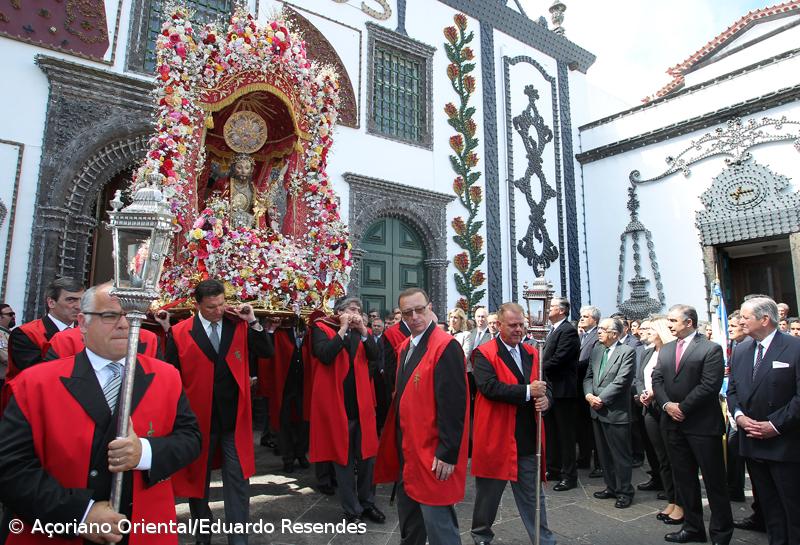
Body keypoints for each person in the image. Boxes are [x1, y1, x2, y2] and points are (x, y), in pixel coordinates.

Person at [0, 283, 201, 545]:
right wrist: (80, 514)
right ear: (83, 323)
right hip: (57, 531)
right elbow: (10, 467)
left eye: (132, 316)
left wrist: (144, 452)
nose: (124, 325)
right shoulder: (35, 383)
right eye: (109, 316)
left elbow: (191, 439)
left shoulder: (166, 376)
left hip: (143, 528)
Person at [166, 279, 274, 545]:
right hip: (197, 421)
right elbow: (171, 378)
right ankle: (203, 534)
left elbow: (266, 351)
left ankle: (239, 538)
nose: (218, 311)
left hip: (233, 420)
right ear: (197, 305)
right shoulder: (179, 332)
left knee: (238, 480)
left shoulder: (238, 325)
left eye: (222, 304)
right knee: (198, 483)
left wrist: (253, 321)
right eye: (211, 307)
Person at [374, 287, 468, 545]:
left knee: (439, 527)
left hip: (432, 454)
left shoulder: (445, 346)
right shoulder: (405, 346)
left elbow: (454, 405)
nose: (414, 317)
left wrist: (447, 453)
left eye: (419, 310)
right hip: (409, 451)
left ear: (430, 308)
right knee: (410, 523)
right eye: (408, 313)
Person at [471, 302, 555, 545]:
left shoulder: (532, 352)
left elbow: (545, 385)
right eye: (513, 325)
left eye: (521, 325)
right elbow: (489, 387)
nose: (519, 329)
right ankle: (481, 536)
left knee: (533, 496)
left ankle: (543, 540)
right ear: (499, 325)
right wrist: (528, 391)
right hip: (496, 435)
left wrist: (547, 400)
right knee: (488, 495)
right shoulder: (484, 353)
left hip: (527, 435)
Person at [652, 304, 733, 545]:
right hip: (673, 425)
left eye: (673, 320)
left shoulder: (710, 348)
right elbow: (657, 379)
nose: (669, 325)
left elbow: (709, 385)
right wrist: (667, 405)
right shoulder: (667, 349)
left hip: (702, 426)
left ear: (689, 322)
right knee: (684, 480)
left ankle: (721, 533)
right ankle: (692, 527)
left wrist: (683, 408)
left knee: (714, 481)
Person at [727, 297, 800, 545]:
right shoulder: (741, 350)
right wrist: (740, 417)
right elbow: (732, 390)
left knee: (793, 507)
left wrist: (774, 425)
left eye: (745, 317)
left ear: (765, 319)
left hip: (785, 443)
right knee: (769, 507)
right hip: (752, 441)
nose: (740, 321)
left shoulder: (794, 347)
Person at [309, 296, 385, 524]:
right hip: (337, 405)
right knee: (343, 460)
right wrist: (342, 329)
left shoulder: (363, 332)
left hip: (362, 406)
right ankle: (352, 510)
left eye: (359, 310)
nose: (356, 314)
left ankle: (368, 503)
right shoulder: (322, 327)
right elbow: (324, 355)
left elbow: (375, 355)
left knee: (367, 458)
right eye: (352, 309)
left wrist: (363, 331)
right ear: (340, 311)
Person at [1, 277, 84, 413]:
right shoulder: (25, 333)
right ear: (51, 302)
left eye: (82, 300)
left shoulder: (87, 332)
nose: (79, 306)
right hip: (31, 406)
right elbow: (39, 374)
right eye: (71, 300)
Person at [583, 317, 636, 508]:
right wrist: (589, 395)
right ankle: (611, 486)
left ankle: (625, 491)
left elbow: (622, 381)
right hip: (596, 410)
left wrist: (601, 399)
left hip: (615, 411)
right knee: (603, 453)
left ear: (614, 334)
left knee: (620, 454)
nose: (599, 332)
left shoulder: (627, 352)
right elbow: (588, 376)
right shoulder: (597, 349)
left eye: (603, 329)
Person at [636, 318, 684, 524]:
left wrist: (655, 394)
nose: (645, 332)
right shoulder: (647, 353)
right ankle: (671, 500)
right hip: (650, 408)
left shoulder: (671, 352)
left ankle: (681, 503)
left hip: (667, 407)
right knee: (661, 457)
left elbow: (671, 381)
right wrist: (642, 393)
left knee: (675, 458)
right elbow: (640, 378)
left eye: (651, 329)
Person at [542, 296, 580, 491]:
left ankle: (569, 475)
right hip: (551, 389)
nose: (548, 308)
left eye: (552, 306)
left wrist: (539, 367)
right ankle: (554, 468)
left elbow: (560, 358)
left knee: (565, 435)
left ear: (562, 310)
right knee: (552, 432)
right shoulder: (553, 330)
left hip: (563, 390)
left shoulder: (568, 331)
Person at [269, 318, 311, 474]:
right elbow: (269, 351)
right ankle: (288, 458)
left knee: (304, 422)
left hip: (304, 385)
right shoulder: (281, 333)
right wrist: (272, 329)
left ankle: (301, 453)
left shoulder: (310, 333)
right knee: (284, 422)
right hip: (286, 385)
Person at [577, 305, 601, 474]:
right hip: (579, 386)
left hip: (592, 387)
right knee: (583, 426)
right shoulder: (581, 336)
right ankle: (584, 458)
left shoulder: (598, 336)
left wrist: (572, 366)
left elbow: (592, 360)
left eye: (586, 316)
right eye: (581, 316)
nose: (582, 318)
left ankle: (600, 464)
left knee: (594, 428)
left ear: (595, 320)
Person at [0, 304, 14, 392]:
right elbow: (5, 357)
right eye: (10, 314)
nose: (13, 317)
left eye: (14, 314)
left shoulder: (9, 334)